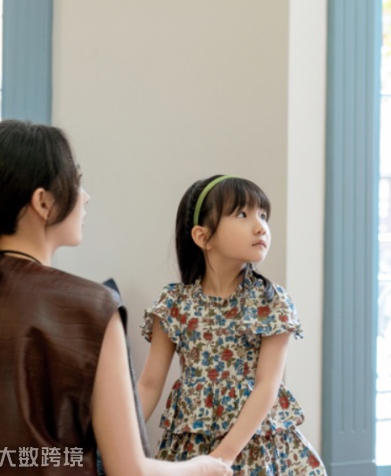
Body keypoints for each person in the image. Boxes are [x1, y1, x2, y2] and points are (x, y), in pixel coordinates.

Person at [0, 119, 230, 476]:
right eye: (76, 182)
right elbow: (130, 470)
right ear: (43, 202)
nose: (86, 196)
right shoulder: (92, 307)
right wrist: (201, 468)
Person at [137, 175, 325, 476]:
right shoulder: (174, 303)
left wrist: (222, 457)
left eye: (263, 215)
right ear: (203, 237)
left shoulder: (270, 302)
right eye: (242, 214)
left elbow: (267, 385)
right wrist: (113, 445)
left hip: (255, 447)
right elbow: (149, 385)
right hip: (192, 447)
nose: (260, 226)